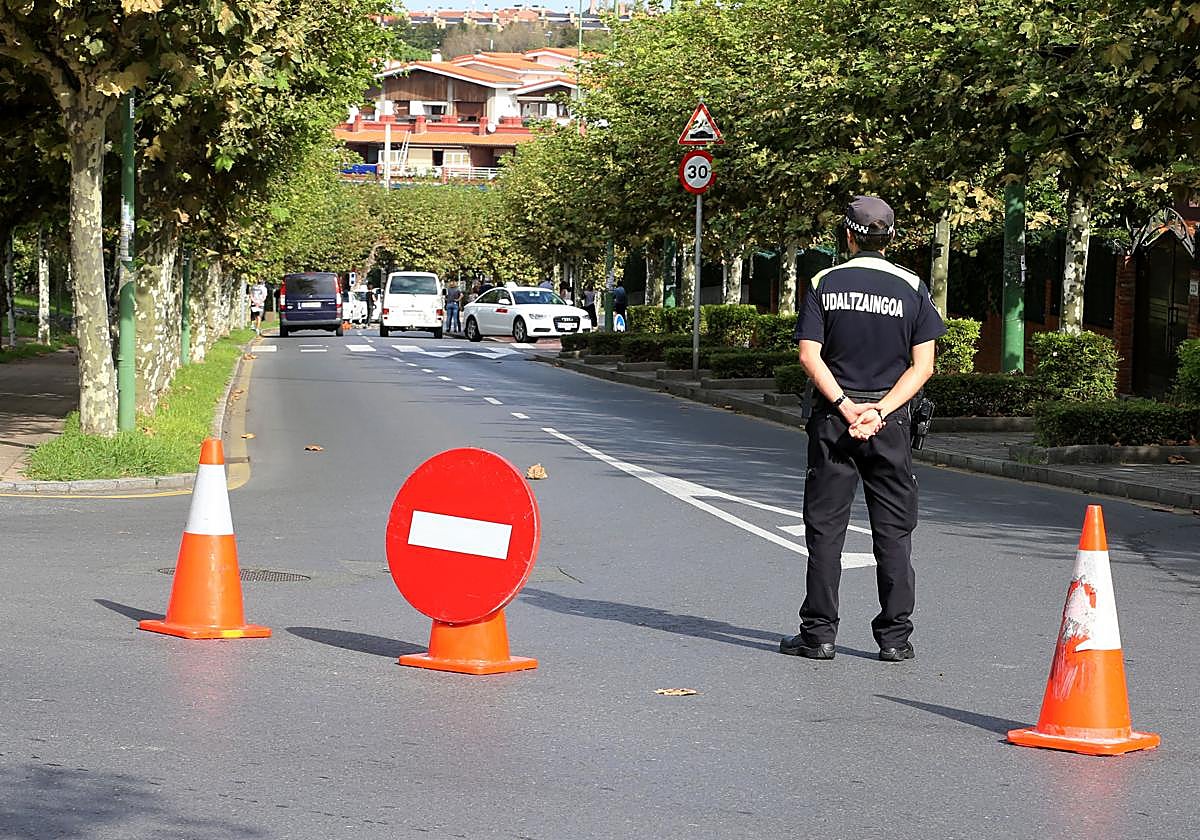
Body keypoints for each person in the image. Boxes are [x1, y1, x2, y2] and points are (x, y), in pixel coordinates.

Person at [779, 196, 946, 664]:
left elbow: (810, 355)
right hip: (890, 426)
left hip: (834, 423)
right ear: (890, 238)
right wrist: (880, 410)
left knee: (826, 530)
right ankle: (895, 638)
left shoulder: (823, 282)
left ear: (848, 235)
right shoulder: (913, 287)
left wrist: (847, 407)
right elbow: (924, 366)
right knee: (893, 531)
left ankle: (819, 635)